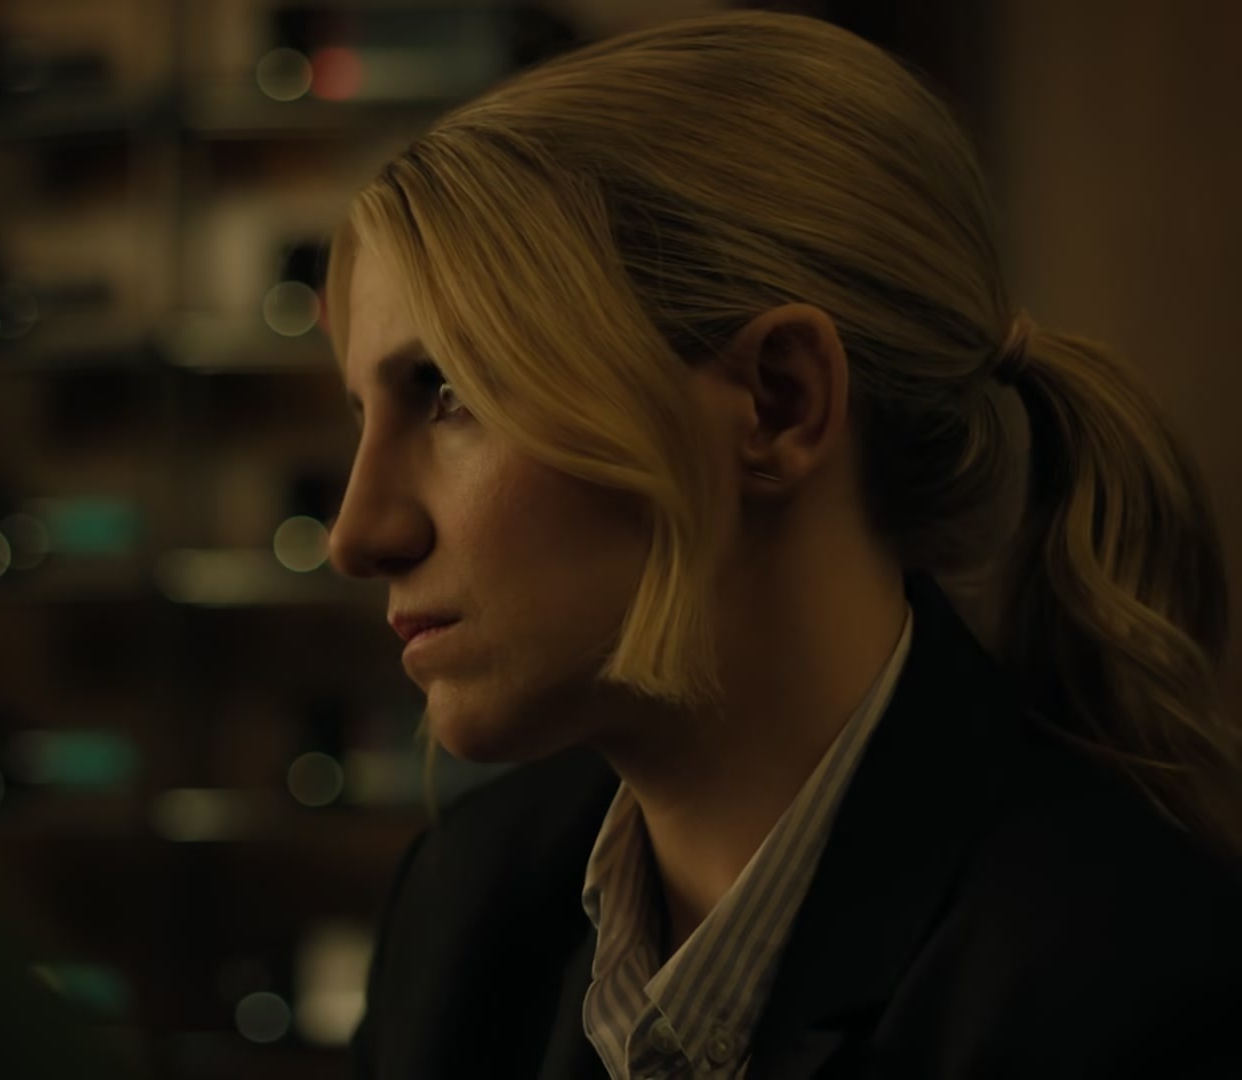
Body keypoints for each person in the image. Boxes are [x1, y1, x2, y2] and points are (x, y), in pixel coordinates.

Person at [321, 11, 1241, 1080]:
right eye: (361, 415)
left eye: (450, 390)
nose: (357, 534)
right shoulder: (461, 913)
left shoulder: (1131, 992)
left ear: (778, 401)